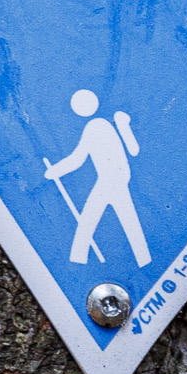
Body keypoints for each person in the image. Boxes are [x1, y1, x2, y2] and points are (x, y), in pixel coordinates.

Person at [45, 88, 148, 268]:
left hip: (110, 180)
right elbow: (133, 150)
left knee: (88, 221)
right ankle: (144, 260)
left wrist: (55, 171)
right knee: (127, 222)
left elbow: (78, 159)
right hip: (117, 179)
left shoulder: (95, 127)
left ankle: (78, 260)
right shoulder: (105, 124)